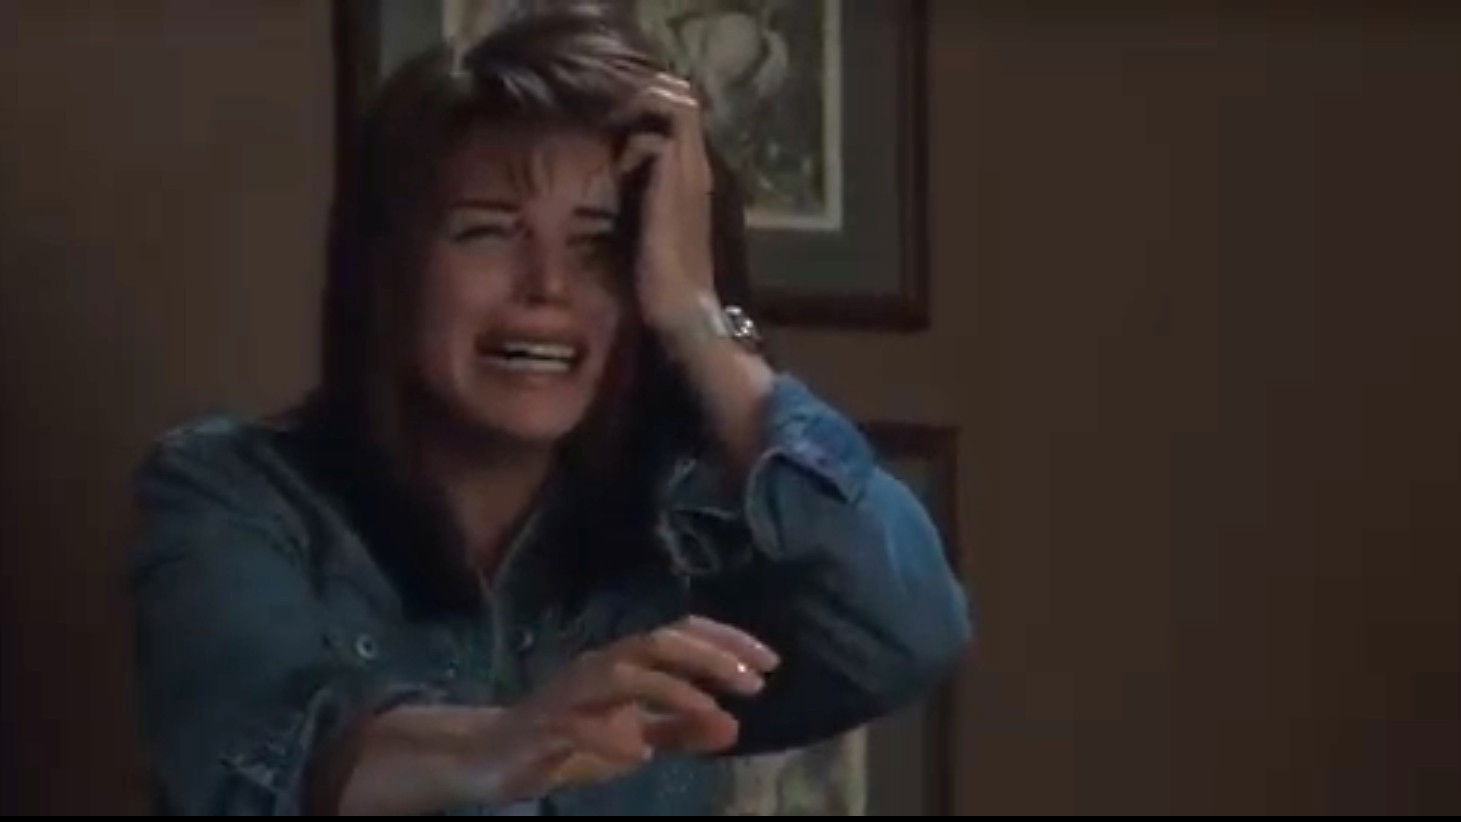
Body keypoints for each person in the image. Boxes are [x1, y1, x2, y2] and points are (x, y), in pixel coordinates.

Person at [127, 6, 971, 816]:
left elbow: (905, 631)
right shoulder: (232, 494)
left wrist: (698, 315)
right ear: (390, 269)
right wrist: (506, 745)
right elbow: (254, 770)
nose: (547, 288)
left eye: (597, 243)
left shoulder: (683, 538)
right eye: (489, 231)